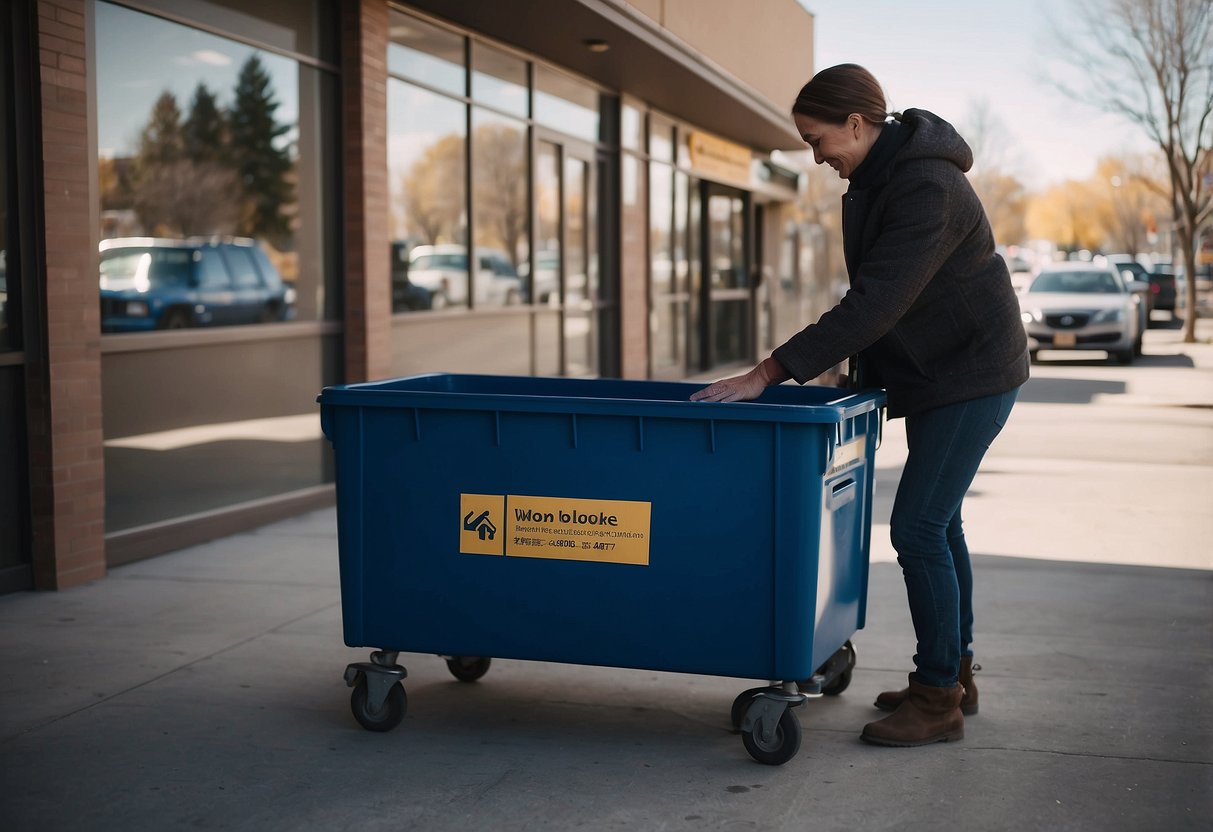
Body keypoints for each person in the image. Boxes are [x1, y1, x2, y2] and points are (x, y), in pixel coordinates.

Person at [691, 64, 1028, 747]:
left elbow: (877, 301)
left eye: (819, 139)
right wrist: (848, 374)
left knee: (917, 528)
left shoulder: (926, 186)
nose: (816, 156)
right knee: (941, 524)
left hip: (973, 372)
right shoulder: (879, 179)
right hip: (941, 371)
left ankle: (937, 701)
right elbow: (886, 301)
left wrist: (769, 372)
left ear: (856, 122)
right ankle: (949, 674)